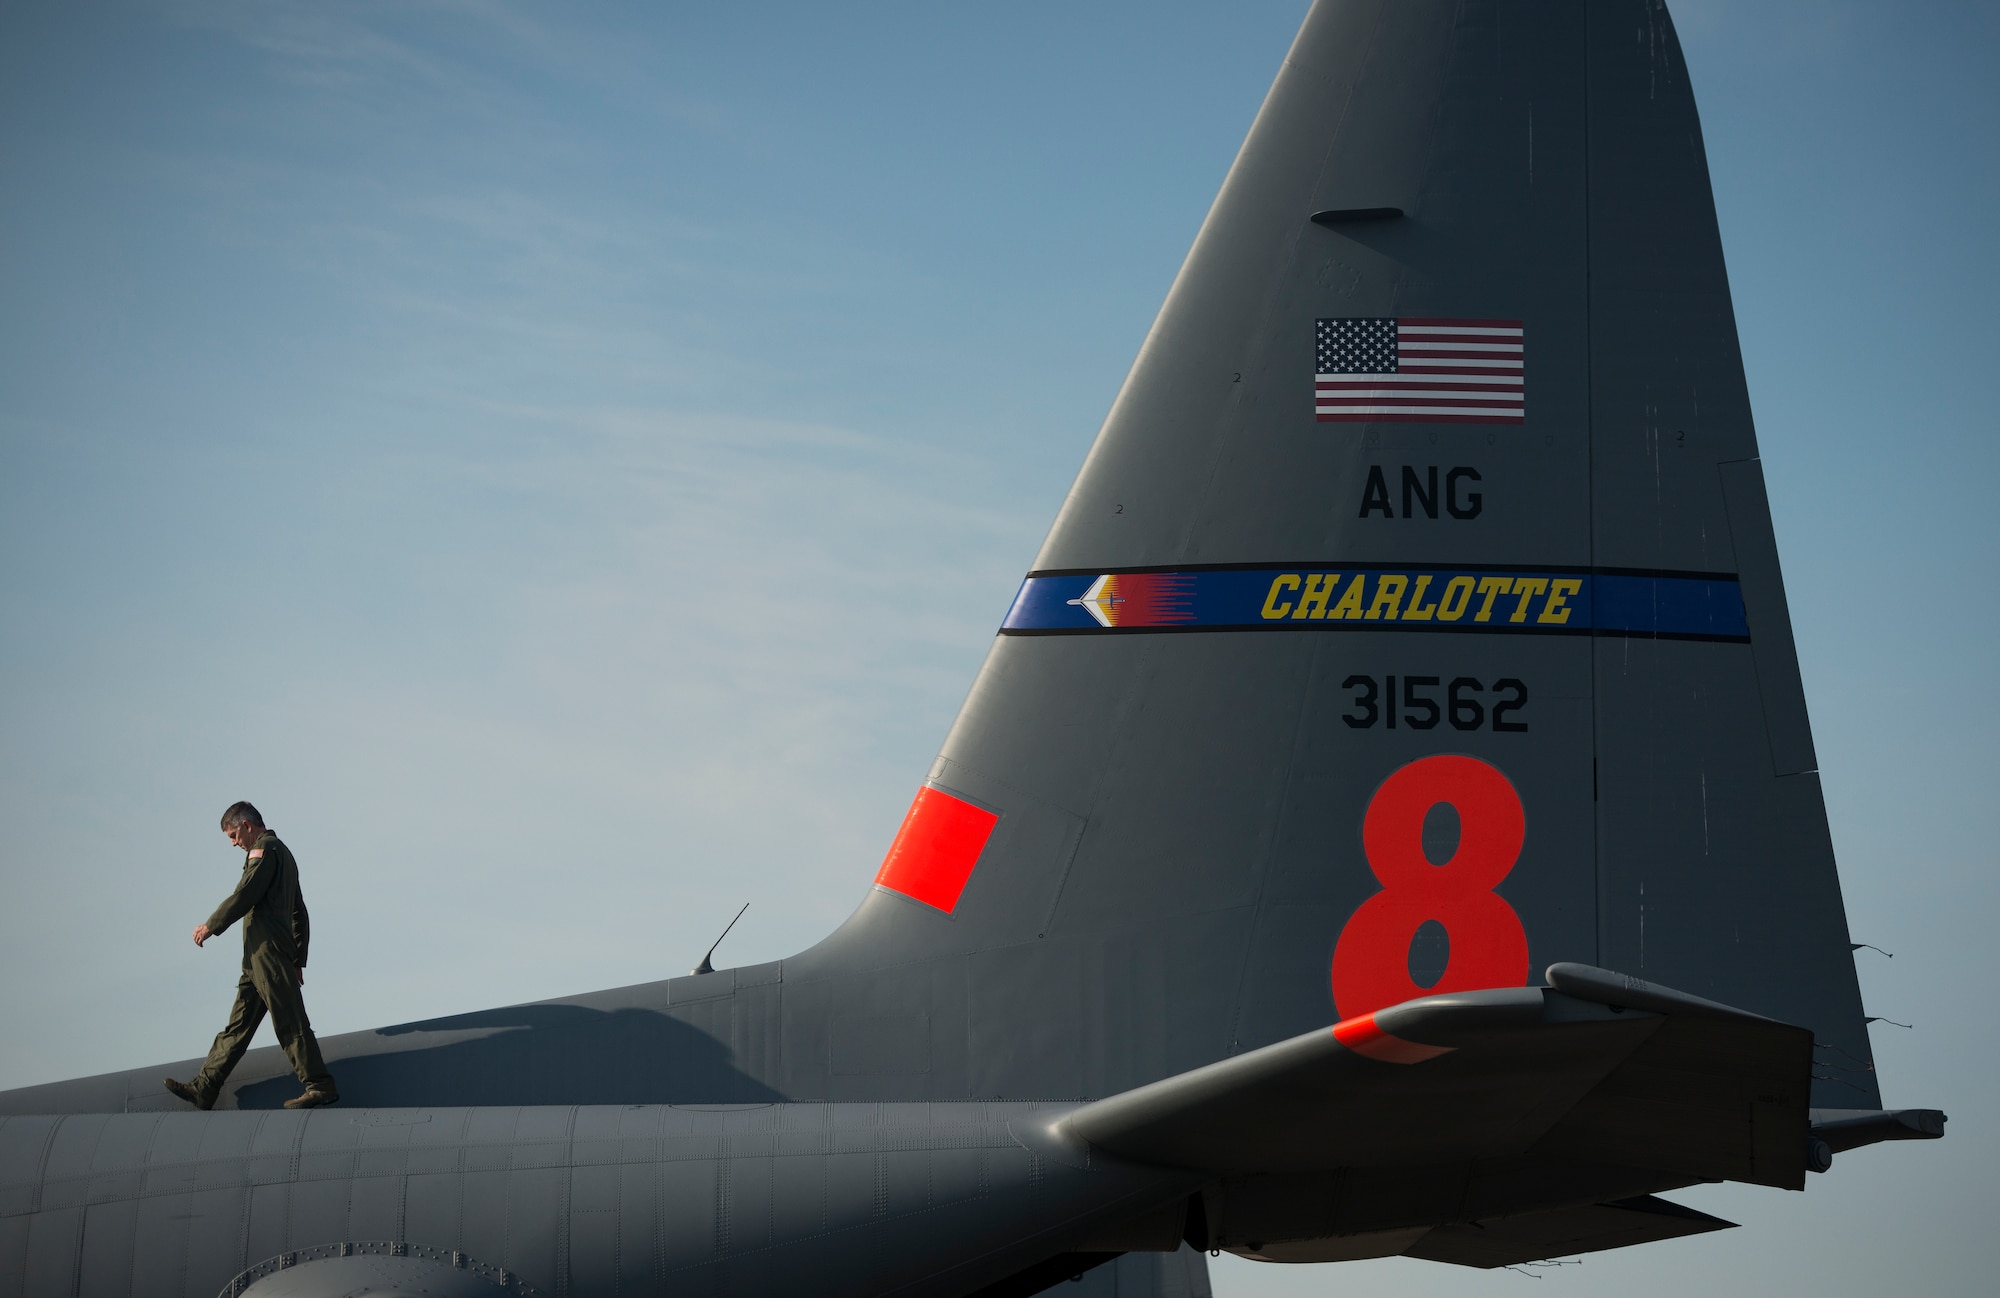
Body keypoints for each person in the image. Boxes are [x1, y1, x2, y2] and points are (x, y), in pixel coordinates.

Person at [163, 801, 339, 1110]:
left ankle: (319, 1085)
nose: (234, 843)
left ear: (247, 826)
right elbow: (300, 912)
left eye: (233, 835)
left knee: (290, 1020)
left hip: (268, 955)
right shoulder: (283, 852)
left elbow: (245, 894)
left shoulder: (264, 850)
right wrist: (298, 958)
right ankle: (205, 1087)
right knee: (238, 1027)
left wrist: (211, 926)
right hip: (261, 960)